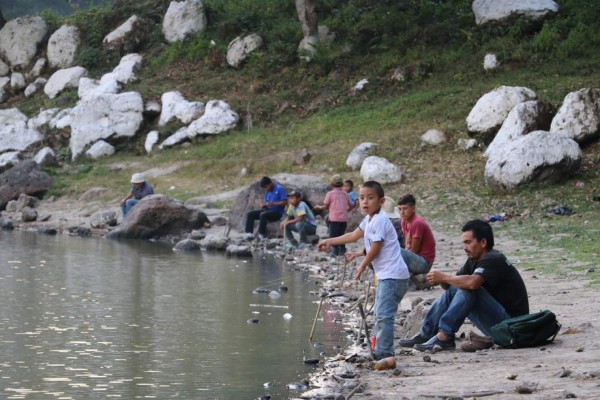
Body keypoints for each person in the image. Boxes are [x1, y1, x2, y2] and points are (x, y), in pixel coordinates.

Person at [399, 220, 529, 352]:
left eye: (468, 242)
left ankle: (445, 336)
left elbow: (472, 284)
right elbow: (451, 287)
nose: (465, 247)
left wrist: (444, 277)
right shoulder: (474, 259)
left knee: (468, 289)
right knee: (458, 286)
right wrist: (441, 279)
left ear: (483, 243)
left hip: (512, 327)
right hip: (499, 325)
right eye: (464, 242)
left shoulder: (493, 259)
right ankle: (427, 334)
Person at [318, 181, 410, 360]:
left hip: (393, 276)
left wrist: (361, 266)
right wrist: (330, 241)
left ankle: (384, 352)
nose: (365, 202)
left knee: (384, 315)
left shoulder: (381, 220)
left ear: (381, 201)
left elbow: (376, 247)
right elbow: (353, 236)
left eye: (370, 198)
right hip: (388, 276)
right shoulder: (369, 220)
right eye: (361, 198)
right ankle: (380, 348)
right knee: (380, 313)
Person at [313, 174, 353, 256]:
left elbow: (325, 206)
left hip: (334, 219)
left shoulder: (330, 194)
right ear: (342, 184)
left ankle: (334, 251)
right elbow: (351, 205)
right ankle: (342, 250)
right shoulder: (345, 194)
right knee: (342, 235)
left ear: (331, 184)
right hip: (343, 219)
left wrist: (318, 207)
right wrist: (346, 211)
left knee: (333, 235)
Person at [397, 194, 435, 275]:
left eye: (405, 209)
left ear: (413, 208)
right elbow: (408, 245)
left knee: (396, 250)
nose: (402, 212)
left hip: (424, 263)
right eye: (399, 209)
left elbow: (414, 250)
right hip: (414, 259)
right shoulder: (404, 221)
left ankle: (410, 283)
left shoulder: (417, 223)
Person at [244, 176, 288, 241]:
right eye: (264, 188)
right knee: (250, 214)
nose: (265, 189)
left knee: (263, 214)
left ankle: (261, 235)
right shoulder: (267, 191)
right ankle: (250, 234)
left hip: (277, 212)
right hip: (268, 210)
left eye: (266, 187)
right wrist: (264, 205)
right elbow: (266, 202)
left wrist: (273, 204)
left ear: (270, 183)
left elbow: (285, 202)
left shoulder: (280, 189)